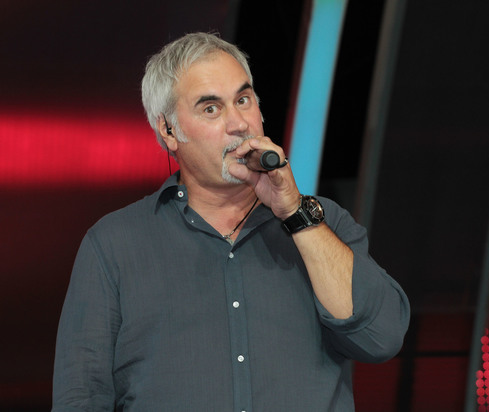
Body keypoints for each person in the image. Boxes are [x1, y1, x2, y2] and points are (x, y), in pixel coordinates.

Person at [52, 32, 410, 411]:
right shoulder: (114, 245)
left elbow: (381, 337)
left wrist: (295, 213)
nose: (238, 124)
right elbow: (81, 397)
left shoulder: (322, 221)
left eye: (243, 100)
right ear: (169, 131)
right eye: (211, 109)